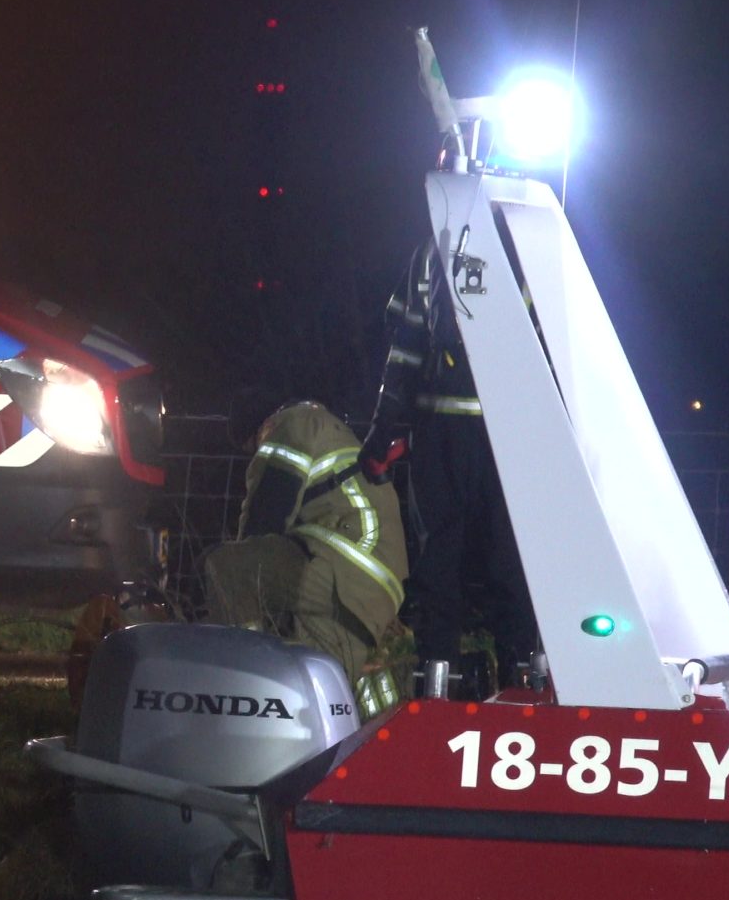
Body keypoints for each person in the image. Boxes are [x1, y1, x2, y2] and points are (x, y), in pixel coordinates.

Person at [360, 242, 541, 698]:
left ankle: (513, 683)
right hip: (461, 437)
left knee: (503, 563)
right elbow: (407, 343)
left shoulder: (518, 247)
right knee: (457, 564)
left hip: (492, 438)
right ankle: (447, 683)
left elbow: (545, 342)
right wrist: (383, 428)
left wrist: (385, 424)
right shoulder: (433, 253)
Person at [203, 396, 409, 718]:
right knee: (316, 686)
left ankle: (246, 685)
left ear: (259, 428)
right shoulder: (327, 428)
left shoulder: (290, 425)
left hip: (345, 562)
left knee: (228, 568)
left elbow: (264, 517)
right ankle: (384, 745)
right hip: (365, 585)